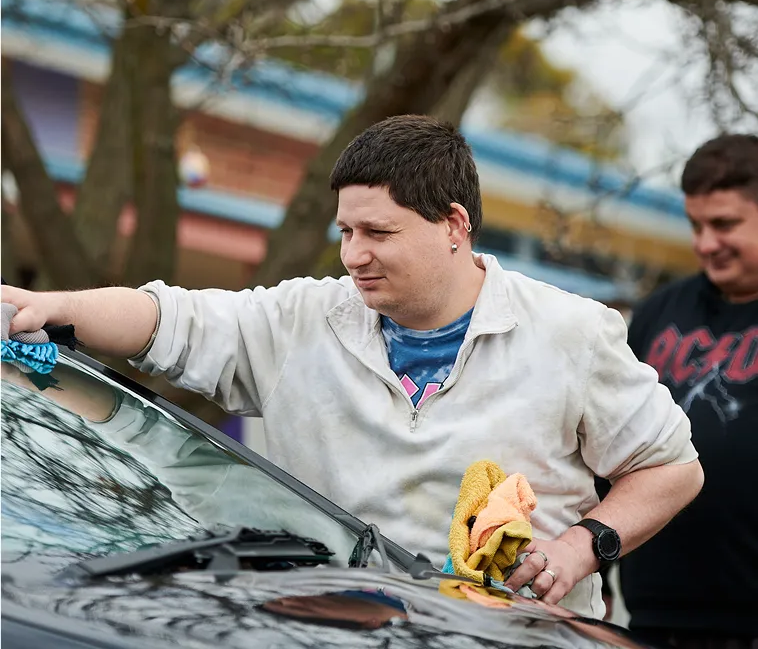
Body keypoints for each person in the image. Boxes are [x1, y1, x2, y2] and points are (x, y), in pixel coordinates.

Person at [1, 114, 703, 619]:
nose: (353, 255)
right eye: (345, 231)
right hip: (323, 631)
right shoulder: (299, 317)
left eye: (378, 232)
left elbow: (671, 468)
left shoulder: (573, 331)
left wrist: (580, 548)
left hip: (516, 637)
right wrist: (52, 306)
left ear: (454, 225)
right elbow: (166, 319)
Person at [609, 133, 758, 646]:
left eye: (724, 224)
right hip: (651, 615)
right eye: (696, 225)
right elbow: (609, 440)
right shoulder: (660, 311)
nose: (705, 244)